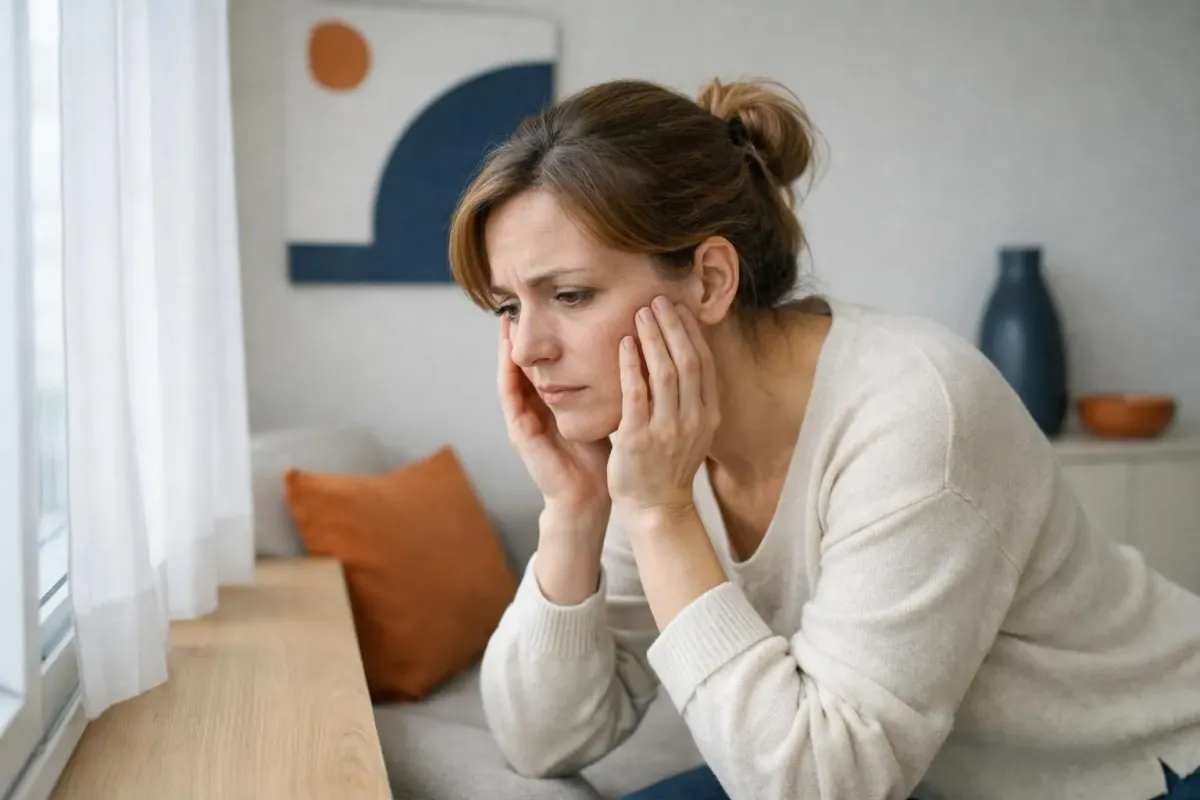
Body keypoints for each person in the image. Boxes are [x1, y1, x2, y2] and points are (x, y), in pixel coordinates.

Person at [446, 76, 1200, 800]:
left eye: (570, 295)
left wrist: (657, 513)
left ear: (709, 281)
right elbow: (540, 743)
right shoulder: (657, 441)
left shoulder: (918, 414)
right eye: (509, 307)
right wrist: (574, 511)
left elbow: (822, 788)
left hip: (1148, 768)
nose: (527, 348)